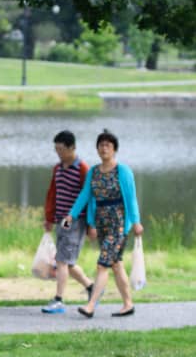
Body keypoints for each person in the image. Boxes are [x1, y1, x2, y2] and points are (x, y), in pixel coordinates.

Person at [62, 129, 144, 318]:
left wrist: (137, 222)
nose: (104, 148)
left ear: (114, 149)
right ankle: (128, 304)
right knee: (116, 264)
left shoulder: (123, 171)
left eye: (108, 145)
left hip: (119, 224)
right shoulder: (93, 171)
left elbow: (131, 199)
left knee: (103, 264)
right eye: (101, 145)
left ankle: (90, 306)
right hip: (102, 223)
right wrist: (72, 215)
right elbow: (85, 195)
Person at [41, 130, 94, 314]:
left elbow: (90, 198)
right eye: (56, 150)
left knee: (61, 260)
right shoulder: (57, 168)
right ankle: (92, 287)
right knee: (68, 263)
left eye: (62, 149)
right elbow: (52, 194)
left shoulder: (83, 169)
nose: (59, 153)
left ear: (72, 148)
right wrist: (49, 218)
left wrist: (91, 225)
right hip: (61, 222)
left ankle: (58, 300)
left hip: (76, 222)